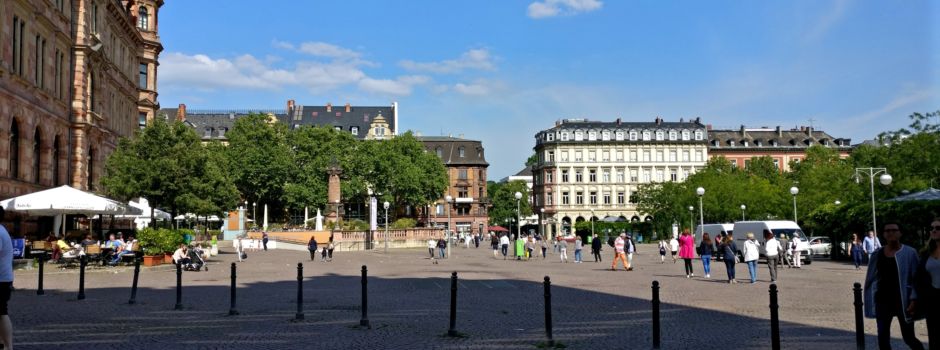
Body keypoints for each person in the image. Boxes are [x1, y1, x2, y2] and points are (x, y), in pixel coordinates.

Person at [864, 223, 924, 350]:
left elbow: (917, 279)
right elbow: (872, 277)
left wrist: (914, 299)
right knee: (882, 337)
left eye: (894, 230)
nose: (891, 233)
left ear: (900, 233)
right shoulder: (878, 254)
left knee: (909, 337)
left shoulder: (910, 252)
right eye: (887, 230)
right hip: (882, 300)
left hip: (903, 300)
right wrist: (871, 296)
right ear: (884, 234)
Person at [915, 218, 940, 348]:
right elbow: (920, 277)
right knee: (934, 336)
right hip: (932, 301)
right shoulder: (926, 252)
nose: (934, 230)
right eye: (932, 228)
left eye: (938, 228)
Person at [0, 208, 13, 350]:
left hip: (1, 280)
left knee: (2, 313)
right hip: (4, 278)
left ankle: (8, 346)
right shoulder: (2, 229)